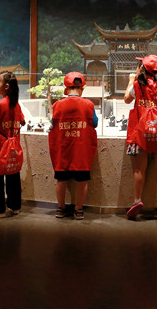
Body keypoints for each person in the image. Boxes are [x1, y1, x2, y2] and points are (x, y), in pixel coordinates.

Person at [124, 55, 157, 222]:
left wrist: (131, 80)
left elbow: (127, 99)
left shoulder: (137, 85)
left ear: (142, 69)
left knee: (140, 170)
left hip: (142, 133)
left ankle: (137, 200)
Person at [48, 72, 98, 220]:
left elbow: (52, 124)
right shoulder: (89, 105)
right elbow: (95, 123)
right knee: (82, 181)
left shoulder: (57, 105)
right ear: (82, 87)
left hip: (63, 150)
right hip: (81, 150)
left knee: (61, 180)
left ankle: (61, 208)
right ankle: (79, 209)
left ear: (66, 87)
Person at [0, 71, 25, 218]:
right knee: (13, 174)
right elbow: (22, 122)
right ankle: (15, 206)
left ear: (6, 86)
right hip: (14, 149)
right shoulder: (17, 105)